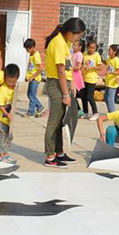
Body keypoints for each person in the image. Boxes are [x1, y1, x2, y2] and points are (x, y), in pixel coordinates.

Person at [40, 18, 86, 168]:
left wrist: (71, 83)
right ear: (69, 32)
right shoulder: (58, 43)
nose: (78, 39)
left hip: (63, 83)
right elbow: (60, 70)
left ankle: (59, 152)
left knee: (61, 121)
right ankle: (50, 156)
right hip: (56, 84)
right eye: (77, 36)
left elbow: (66, 68)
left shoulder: (65, 42)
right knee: (54, 122)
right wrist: (65, 94)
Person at [0, 64, 19, 163]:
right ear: (4, 78)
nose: (11, 83)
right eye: (9, 81)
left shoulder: (13, 88)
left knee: (9, 136)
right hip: (0, 117)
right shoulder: (3, 90)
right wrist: (6, 114)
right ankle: (1, 155)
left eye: (13, 82)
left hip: (7, 119)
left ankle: (6, 153)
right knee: (1, 136)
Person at [23, 38, 45, 117]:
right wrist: (27, 76)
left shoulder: (36, 55)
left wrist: (32, 77)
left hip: (35, 79)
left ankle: (31, 112)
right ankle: (40, 107)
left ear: (32, 47)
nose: (27, 50)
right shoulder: (31, 55)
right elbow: (31, 68)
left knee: (32, 95)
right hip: (31, 78)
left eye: (27, 49)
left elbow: (40, 68)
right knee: (30, 94)